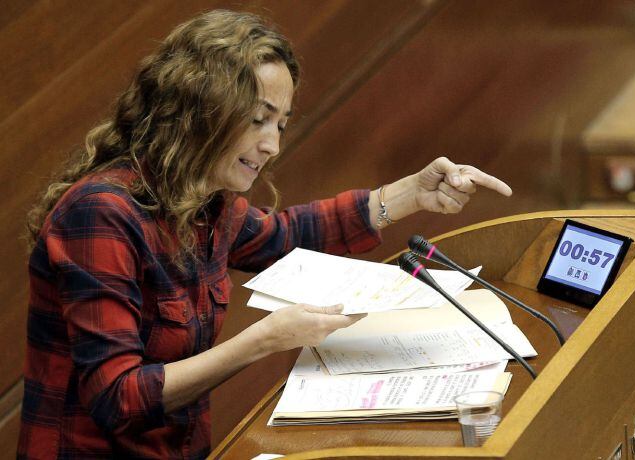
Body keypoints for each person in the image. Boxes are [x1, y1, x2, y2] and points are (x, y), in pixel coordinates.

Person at [18, 9, 512, 459]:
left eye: (281, 123)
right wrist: (263, 340)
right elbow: (117, 397)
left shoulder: (204, 199)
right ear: (199, 111)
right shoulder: (100, 215)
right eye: (257, 121)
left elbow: (283, 237)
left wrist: (410, 194)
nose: (272, 144)